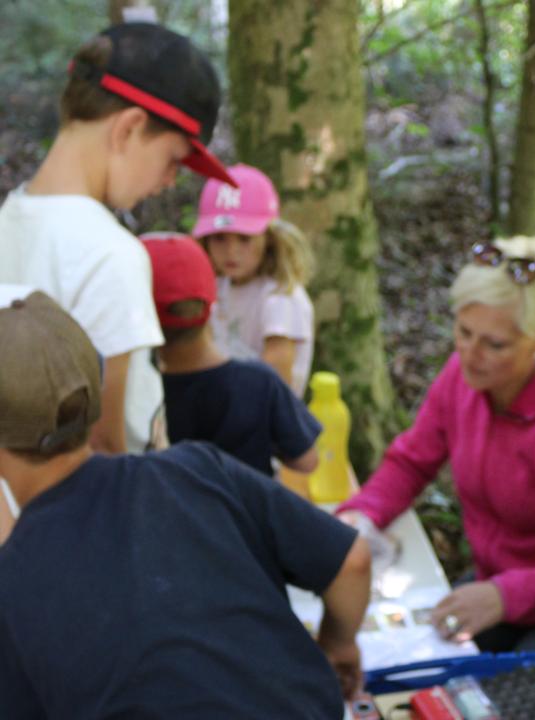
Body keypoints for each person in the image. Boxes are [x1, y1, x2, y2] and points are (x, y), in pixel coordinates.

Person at [0, 289, 371, 718]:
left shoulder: (12, 585)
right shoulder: (196, 470)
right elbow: (352, 562)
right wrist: (338, 644)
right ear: (98, 391)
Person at [338, 236, 535, 713]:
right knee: (394, 689)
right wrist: (360, 518)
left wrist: (503, 596)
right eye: (463, 332)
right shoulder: (464, 378)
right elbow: (412, 460)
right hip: (495, 588)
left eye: (495, 344)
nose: (471, 354)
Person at [0, 22, 235, 455]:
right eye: (173, 160)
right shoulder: (111, 255)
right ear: (128, 128)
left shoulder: (8, 219)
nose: (169, 181)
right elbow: (107, 444)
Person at [142, 232, 321, 478]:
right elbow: (306, 460)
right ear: (212, 300)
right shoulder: (258, 383)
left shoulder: (140, 391)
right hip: (247, 514)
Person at [192, 164, 315, 397]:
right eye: (219, 238)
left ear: (268, 239)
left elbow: (274, 382)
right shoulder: (219, 286)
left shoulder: (279, 297)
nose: (231, 251)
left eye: (244, 239)